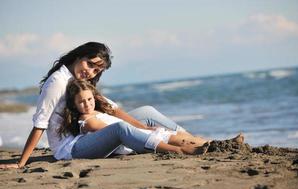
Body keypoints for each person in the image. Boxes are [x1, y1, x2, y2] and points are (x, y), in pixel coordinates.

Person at [0, 42, 208, 169]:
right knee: (120, 128)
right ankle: (175, 150)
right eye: (89, 64)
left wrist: (143, 126)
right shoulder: (57, 82)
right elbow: (40, 124)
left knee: (147, 112)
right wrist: (21, 163)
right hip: (71, 148)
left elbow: (113, 109)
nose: (90, 72)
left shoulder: (79, 81)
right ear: (78, 56)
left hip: (89, 134)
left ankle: (195, 140)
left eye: (96, 70)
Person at [60, 79, 218, 158]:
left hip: (127, 134)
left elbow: (118, 117)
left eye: (89, 99)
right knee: (167, 138)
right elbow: (115, 131)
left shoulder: (97, 110)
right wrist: (145, 130)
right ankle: (179, 150)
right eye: (81, 101)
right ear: (74, 105)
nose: (87, 104)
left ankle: (214, 143)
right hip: (121, 140)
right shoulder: (87, 120)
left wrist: (146, 128)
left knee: (174, 135)